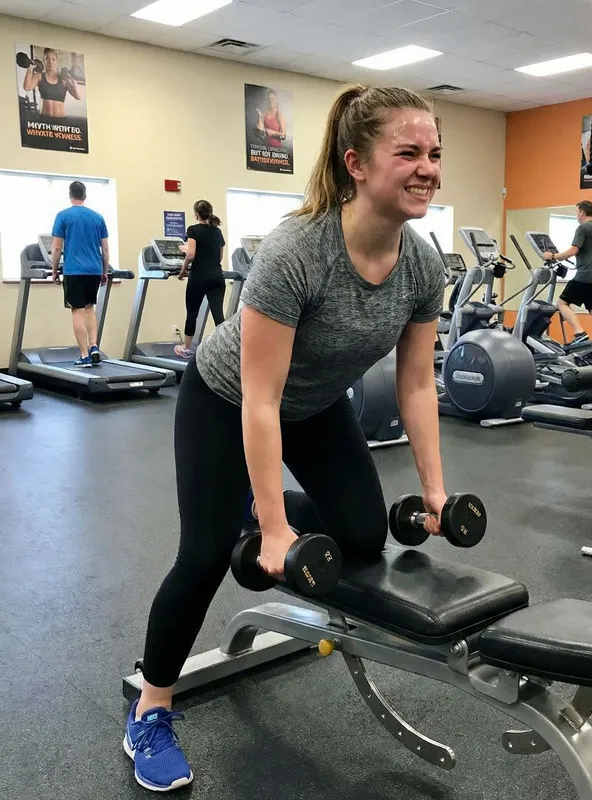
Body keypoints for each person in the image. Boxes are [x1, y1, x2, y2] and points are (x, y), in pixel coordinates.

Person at [124, 84, 446, 792]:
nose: (427, 168)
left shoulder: (423, 264)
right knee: (204, 554)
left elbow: (419, 385)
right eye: (408, 153)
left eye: (434, 153)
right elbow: (260, 399)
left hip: (316, 406)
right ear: (356, 163)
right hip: (227, 398)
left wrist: (435, 492)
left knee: (362, 536)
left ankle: (250, 507)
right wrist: (273, 530)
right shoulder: (298, 251)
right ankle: (151, 708)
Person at [50, 181, 109, 367]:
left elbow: (56, 248)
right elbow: (105, 249)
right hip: (94, 269)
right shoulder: (98, 217)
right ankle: (94, 346)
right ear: (85, 195)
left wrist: (54, 270)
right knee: (90, 308)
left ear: (70, 195)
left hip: (74, 270)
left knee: (77, 311)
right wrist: (104, 271)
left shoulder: (63, 216)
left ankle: (84, 355)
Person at [543, 200, 592, 344]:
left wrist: (553, 256)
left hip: (586, 276)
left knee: (561, 303)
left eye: (577, 212)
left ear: (582, 212)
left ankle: (579, 332)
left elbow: (573, 250)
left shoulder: (583, 228)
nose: (577, 215)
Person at [174, 200, 226, 358]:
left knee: (192, 313)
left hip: (199, 277)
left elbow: (191, 254)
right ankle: (226, 349)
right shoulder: (217, 231)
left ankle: (186, 348)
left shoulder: (193, 230)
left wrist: (182, 272)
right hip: (217, 277)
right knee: (218, 315)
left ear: (196, 214)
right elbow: (220, 256)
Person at [22, 47, 83, 119]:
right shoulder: (39, 76)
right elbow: (27, 87)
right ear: (44, 61)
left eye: (53, 59)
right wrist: (30, 68)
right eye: (47, 59)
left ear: (57, 61)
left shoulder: (63, 79)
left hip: (61, 119)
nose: (50, 62)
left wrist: (73, 79)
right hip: (44, 119)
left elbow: (78, 97)